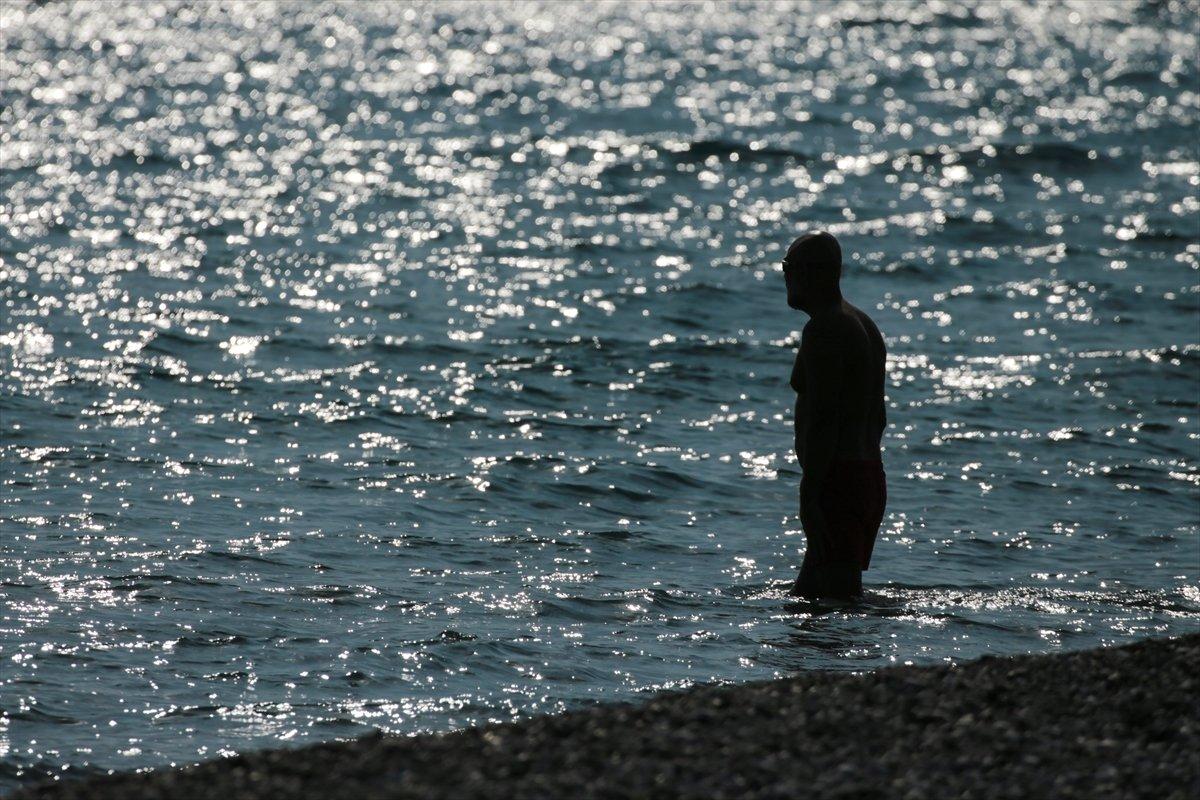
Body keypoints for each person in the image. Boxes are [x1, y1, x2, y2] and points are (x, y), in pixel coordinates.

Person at [782, 231, 887, 599]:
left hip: (838, 479)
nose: (786, 277)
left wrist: (811, 491)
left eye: (788, 267)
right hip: (865, 474)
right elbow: (879, 418)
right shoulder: (863, 324)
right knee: (810, 597)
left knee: (835, 600)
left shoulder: (824, 329)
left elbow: (824, 418)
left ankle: (856, 656)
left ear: (814, 273)